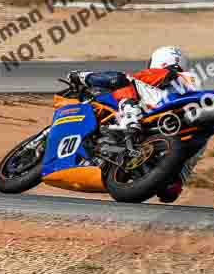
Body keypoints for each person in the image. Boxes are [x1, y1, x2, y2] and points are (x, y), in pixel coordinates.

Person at [69, 46, 206, 203]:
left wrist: (82, 77)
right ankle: (176, 180)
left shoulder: (164, 72)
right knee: (198, 141)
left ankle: (130, 118)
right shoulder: (193, 83)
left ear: (157, 61)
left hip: (158, 111)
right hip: (181, 127)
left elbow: (127, 80)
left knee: (120, 80)